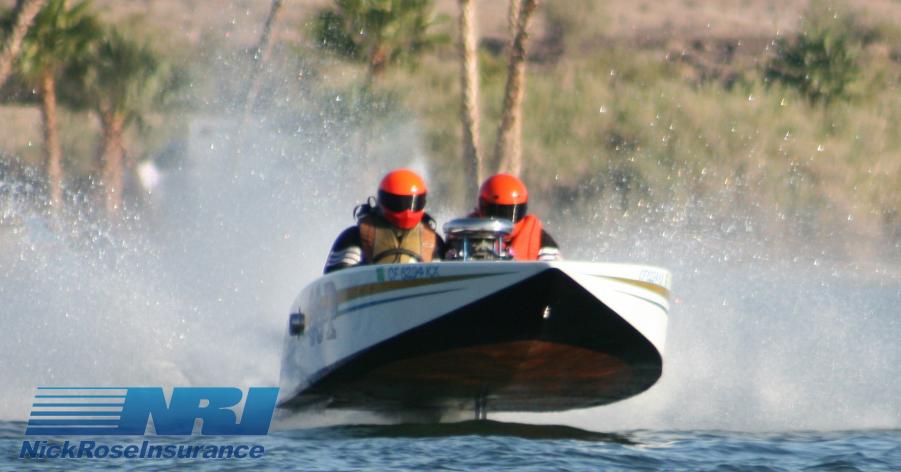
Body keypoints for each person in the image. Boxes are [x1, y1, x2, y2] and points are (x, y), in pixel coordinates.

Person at [324, 169, 444, 273]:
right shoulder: (355, 236)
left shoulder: (434, 240)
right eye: (398, 202)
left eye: (413, 202)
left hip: (421, 290)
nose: (407, 212)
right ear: (383, 200)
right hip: (369, 291)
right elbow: (335, 278)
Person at [474, 173, 560, 261]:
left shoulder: (543, 241)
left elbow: (552, 267)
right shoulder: (467, 235)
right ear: (483, 207)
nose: (506, 220)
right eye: (499, 212)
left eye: (511, 211)